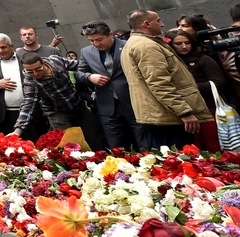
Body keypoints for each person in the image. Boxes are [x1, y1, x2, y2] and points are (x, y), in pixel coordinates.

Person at [121, 10, 211, 150]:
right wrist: (184, 112)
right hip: (169, 117)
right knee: (181, 161)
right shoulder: (146, 46)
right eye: (158, 20)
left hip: (162, 114)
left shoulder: (138, 43)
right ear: (147, 23)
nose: (162, 24)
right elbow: (159, 84)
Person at [9, 53, 101, 149]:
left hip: (78, 106)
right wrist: (17, 131)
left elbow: (80, 66)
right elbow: (28, 105)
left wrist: (90, 76)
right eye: (30, 71)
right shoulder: (30, 83)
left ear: (44, 63)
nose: (35, 74)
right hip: (57, 113)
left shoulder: (56, 61)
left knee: (93, 138)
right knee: (69, 145)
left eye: (38, 69)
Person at [76, 22, 140, 150]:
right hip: (107, 106)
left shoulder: (128, 46)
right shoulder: (86, 52)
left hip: (133, 101)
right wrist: (89, 77)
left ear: (111, 34)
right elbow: (79, 73)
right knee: (116, 147)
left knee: (143, 142)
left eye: (99, 39)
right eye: (91, 41)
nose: (96, 44)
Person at [168, 29, 230, 153]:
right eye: (178, 44)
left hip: (208, 109)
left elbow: (219, 82)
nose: (184, 46)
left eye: (187, 42)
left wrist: (190, 89)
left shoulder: (203, 59)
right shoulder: (169, 63)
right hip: (183, 112)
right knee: (192, 149)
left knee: (214, 147)